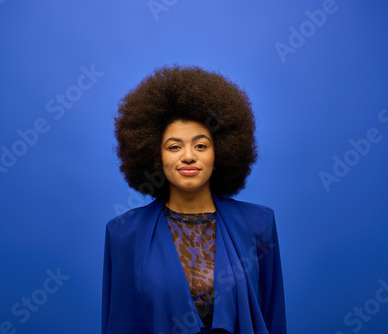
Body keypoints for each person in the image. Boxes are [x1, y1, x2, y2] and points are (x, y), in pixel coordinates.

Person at [102, 65, 287, 334]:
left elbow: (273, 317)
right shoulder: (124, 234)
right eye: (174, 146)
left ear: (220, 152)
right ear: (155, 155)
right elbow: (119, 324)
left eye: (201, 145)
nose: (188, 156)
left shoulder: (259, 224)